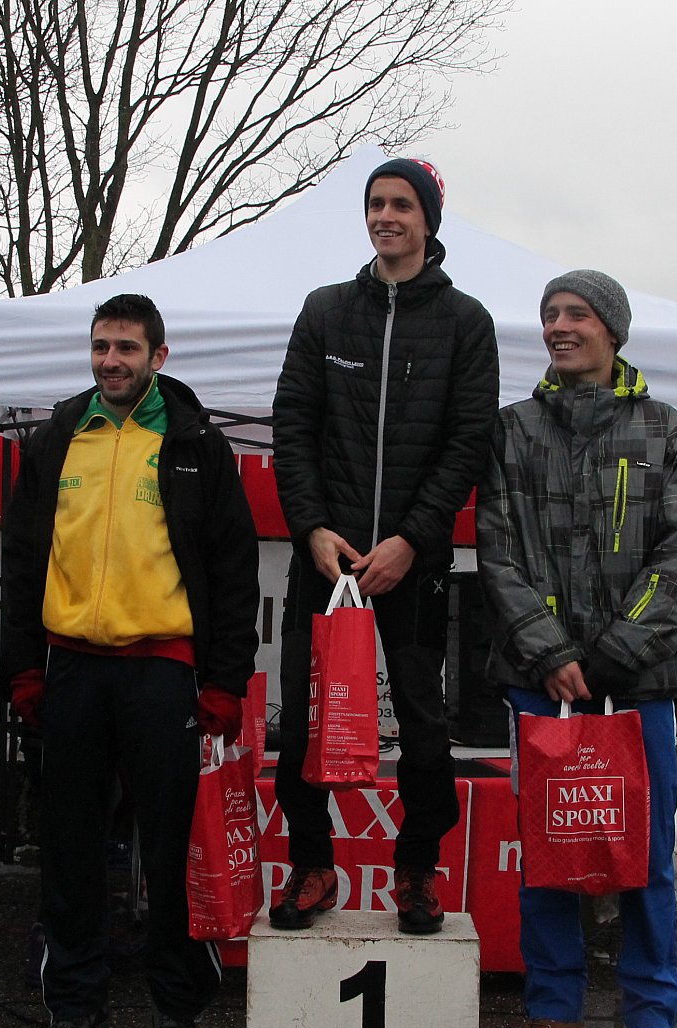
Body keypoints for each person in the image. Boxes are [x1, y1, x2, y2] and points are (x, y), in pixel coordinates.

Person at [0, 293, 260, 1028]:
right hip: (73, 669)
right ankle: (74, 1008)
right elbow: (21, 563)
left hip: (163, 673)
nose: (112, 360)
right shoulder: (54, 440)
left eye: (128, 349)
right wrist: (21, 669)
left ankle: (176, 1013)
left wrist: (225, 681)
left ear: (158, 357)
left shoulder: (195, 443)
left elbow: (232, 568)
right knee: (70, 852)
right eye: (102, 346)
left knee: (173, 850)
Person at [269, 157, 499, 934]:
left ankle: (416, 872)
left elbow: (468, 443)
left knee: (425, 729)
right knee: (302, 724)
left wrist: (411, 539)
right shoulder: (326, 310)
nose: (386, 215)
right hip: (325, 564)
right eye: (376, 203)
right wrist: (310, 528)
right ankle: (312, 863)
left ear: (429, 219)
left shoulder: (465, 322)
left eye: (402, 204)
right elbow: (292, 429)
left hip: (414, 566)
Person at [477, 270, 677, 1028]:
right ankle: (553, 1009)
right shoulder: (512, 430)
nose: (559, 326)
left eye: (576, 314)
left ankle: (650, 1017)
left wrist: (606, 656)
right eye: (549, 315)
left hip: (638, 683)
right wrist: (553, 652)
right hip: (541, 681)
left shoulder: (665, 430)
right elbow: (496, 553)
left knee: (648, 853)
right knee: (548, 848)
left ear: (613, 329)